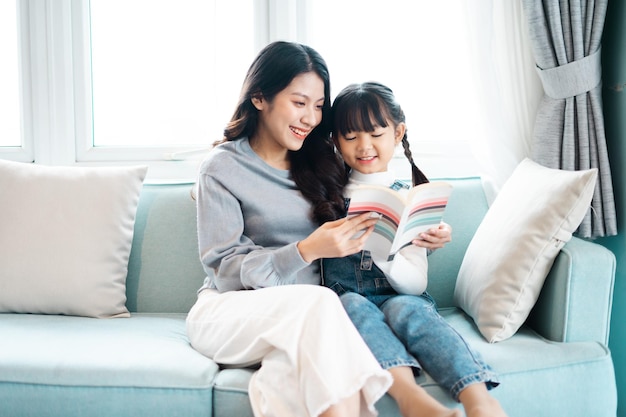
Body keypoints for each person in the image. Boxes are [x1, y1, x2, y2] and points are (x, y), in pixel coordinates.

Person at [185, 41, 394, 417]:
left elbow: (378, 169)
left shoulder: (322, 163)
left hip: (309, 321)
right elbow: (225, 272)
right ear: (260, 98)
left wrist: (420, 234)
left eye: (318, 107)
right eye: (299, 103)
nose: (311, 119)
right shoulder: (220, 168)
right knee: (322, 304)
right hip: (229, 310)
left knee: (290, 377)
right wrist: (306, 251)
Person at [321, 82, 508, 417]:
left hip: (402, 294)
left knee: (409, 309)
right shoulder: (327, 193)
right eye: (350, 137)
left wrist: (383, 254)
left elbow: (416, 284)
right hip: (349, 300)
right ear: (336, 140)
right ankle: (411, 399)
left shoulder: (413, 196)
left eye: (376, 133)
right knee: (350, 305)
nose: (365, 146)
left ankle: (479, 400)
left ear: (398, 132)